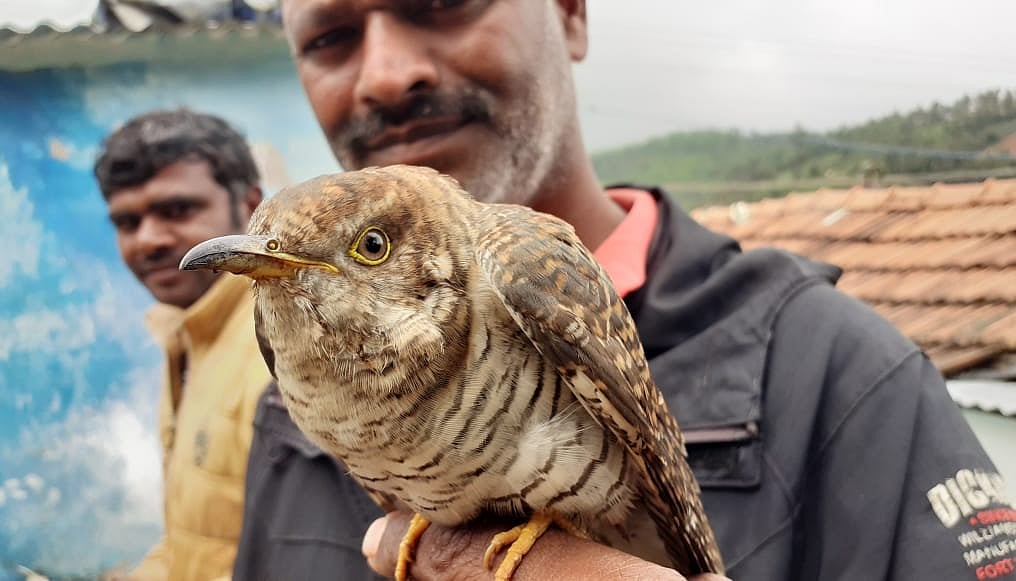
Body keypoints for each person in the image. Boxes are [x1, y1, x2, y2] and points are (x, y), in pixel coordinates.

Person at [233, 1, 1014, 580]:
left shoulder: (848, 373)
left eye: (442, 4)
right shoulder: (284, 403)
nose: (386, 73)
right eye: (332, 37)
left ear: (571, 13)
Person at [93, 109, 273, 581]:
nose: (148, 239)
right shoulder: (186, 333)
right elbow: (198, 542)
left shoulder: (282, 357)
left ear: (250, 206)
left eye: (177, 210)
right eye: (127, 222)